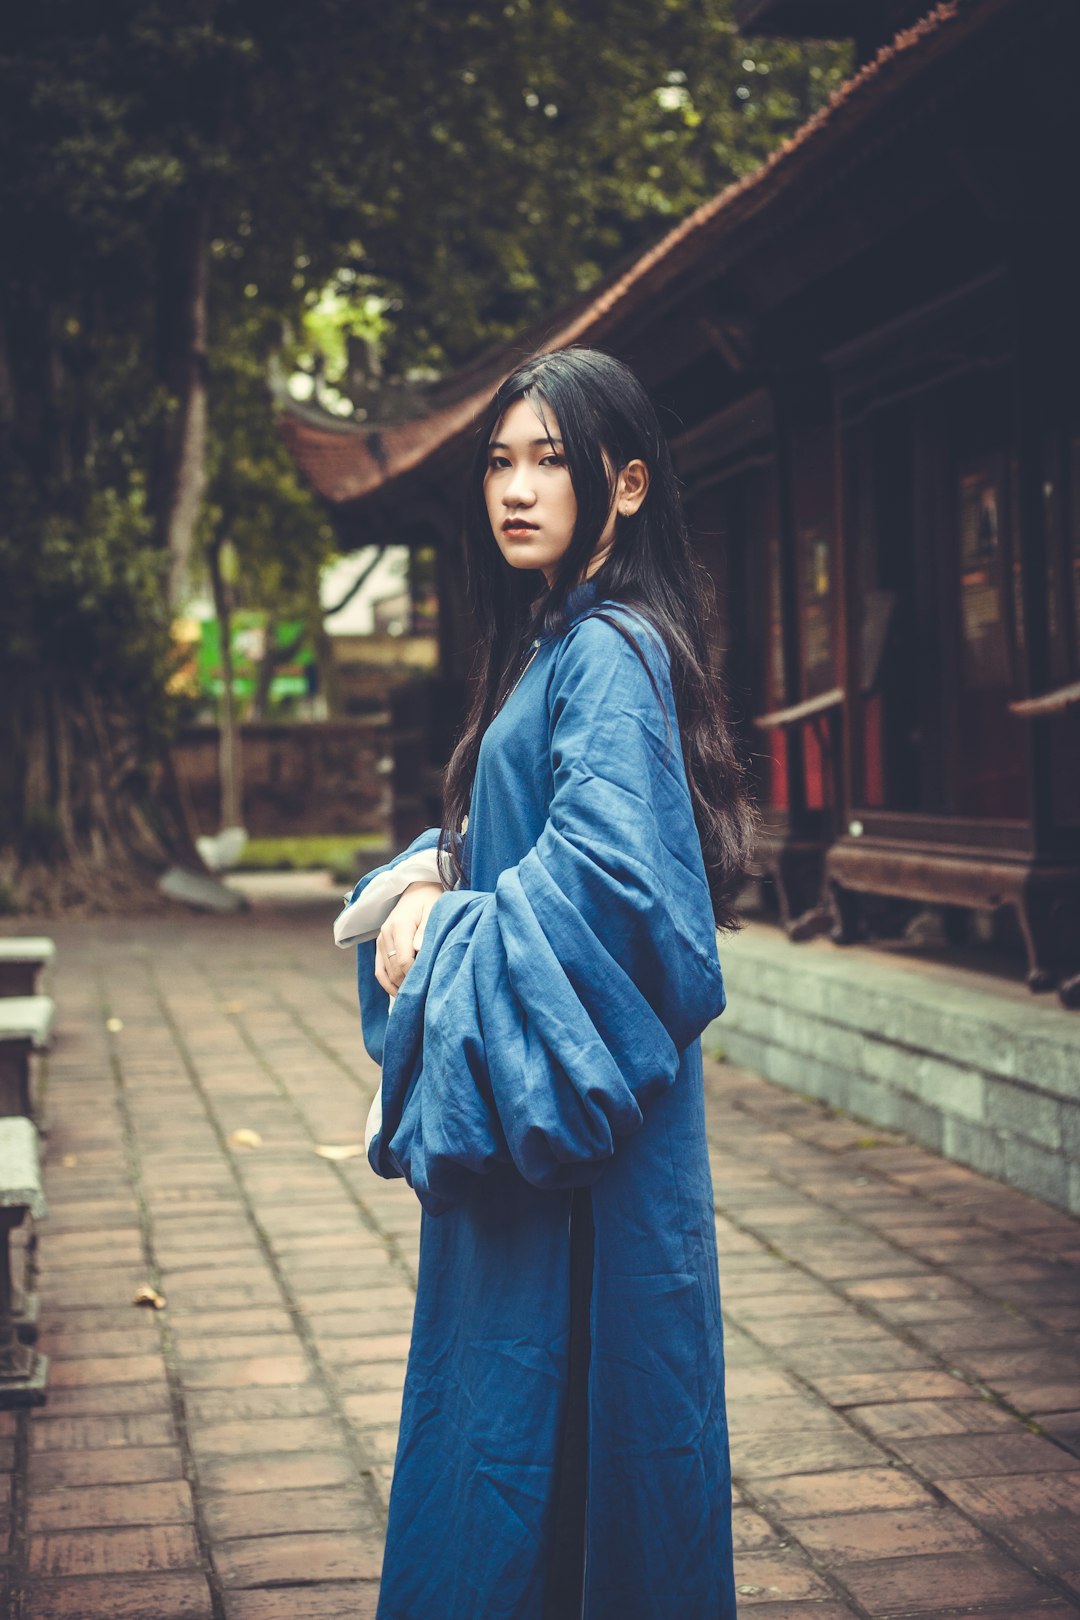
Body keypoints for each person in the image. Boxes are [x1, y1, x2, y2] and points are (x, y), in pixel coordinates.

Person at [335, 346, 755, 1620]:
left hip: (580, 1111)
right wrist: (424, 879)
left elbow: (617, 892)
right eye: (501, 462)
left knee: (581, 1425)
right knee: (518, 1419)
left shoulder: (610, 650)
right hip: (528, 1084)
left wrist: (448, 933)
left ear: (624, 485)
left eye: (551, 461)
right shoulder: (547, 642)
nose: (516, 488)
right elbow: (516, 838)